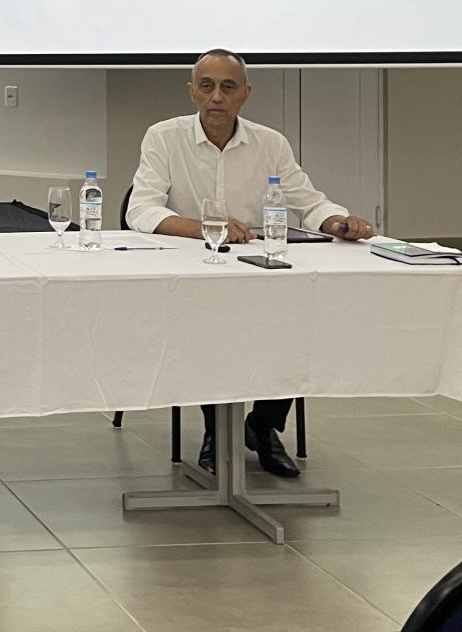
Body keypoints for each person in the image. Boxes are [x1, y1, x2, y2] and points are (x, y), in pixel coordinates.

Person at [126, 48, 375, 478]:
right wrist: (206, 227)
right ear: (192, 92)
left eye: (228, 87)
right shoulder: (163, 137)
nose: (216, 97)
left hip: (257, 266)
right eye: (207, 86)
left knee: (297, 320)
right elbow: (141, 210)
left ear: (245, 93)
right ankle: (215, 432)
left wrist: (338, 221)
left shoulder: (270, 143)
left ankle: (263, 425)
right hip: (192, 268)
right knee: (209, 328)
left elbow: (308, 202)